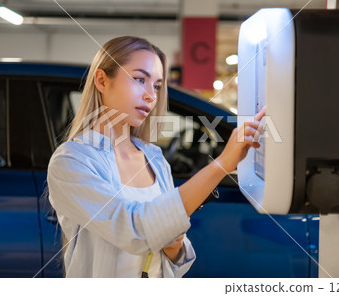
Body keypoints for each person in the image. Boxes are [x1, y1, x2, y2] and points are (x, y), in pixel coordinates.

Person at [47, 36, 265, 278]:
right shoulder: (72, 161)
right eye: (140, 79)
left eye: (157, 85)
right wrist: (222, 164)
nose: (151, 96)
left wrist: (175, 248)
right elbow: (135, 230)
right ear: (101, 80)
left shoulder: (154, 158)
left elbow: (177, 259)